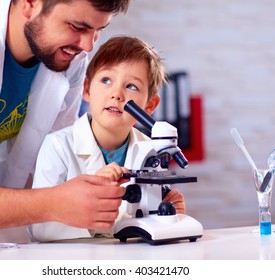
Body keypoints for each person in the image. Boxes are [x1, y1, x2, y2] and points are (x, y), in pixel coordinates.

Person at [0, 0, 131, 248]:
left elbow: (59, 158)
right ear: (30, 4)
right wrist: (54, 204)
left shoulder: (67, 56)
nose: (87, 45)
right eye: (77, 26)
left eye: (98, 30)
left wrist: (129, 206)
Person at [30, 36, 186, 242]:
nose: (116, 94)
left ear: (149, 106)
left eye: (131, 86)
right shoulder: (57, 146)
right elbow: (42, 228)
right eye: (106, 80)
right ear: (87, 89)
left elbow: (147, 219)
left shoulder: (150, 150)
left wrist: (170, 216)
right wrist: (94, 201)